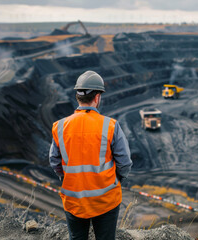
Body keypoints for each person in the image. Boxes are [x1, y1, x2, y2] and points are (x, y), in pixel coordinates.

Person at [49, 70, 132, 240]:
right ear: (97, 97)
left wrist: (68, 178)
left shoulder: (59, 126)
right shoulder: (110, 126)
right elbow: (125, 163)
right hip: (106, 200)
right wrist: (117, 180)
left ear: (78, 96)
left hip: (74, 199)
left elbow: (54, 161)